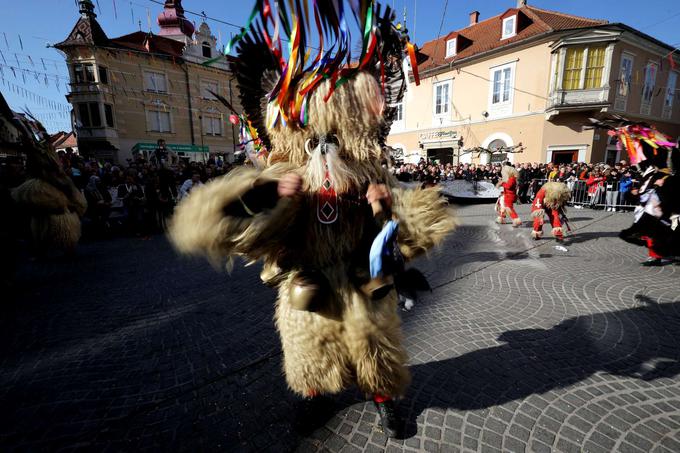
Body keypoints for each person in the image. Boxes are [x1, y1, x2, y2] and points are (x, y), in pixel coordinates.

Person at [168, 2, 455, 438]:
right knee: (311, 351)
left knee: (375, 349)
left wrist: (391, 207)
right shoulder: (285, 179)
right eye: (313, 136)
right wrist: (264, 195)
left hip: (363, 277)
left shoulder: (370, 176)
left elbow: (416, 231)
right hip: (307, 278)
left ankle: (385, 401)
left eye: (334, 136)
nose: (325, 146)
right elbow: (211, 224)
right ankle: (316, 403)